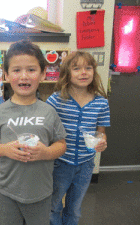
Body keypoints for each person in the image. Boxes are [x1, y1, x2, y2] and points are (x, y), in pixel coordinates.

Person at [0, 40, 67, 225]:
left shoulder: (48, 111)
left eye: (31, 69)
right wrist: (6, 149)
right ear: (6, 74)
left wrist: (45, 152)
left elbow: (61, 145)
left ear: (43, 74)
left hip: (41, 192)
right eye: (16, 70)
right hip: (7, 191)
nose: (24, 76)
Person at [46, 51, 110, 225]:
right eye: (77, 68)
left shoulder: (101, 103)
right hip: (60, 162)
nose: (83, 72)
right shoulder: (56, 100)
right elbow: (45, 129)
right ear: (67, 73)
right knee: (53, 205)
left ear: (93, 72)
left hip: (86, 164)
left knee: (74, 208)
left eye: (88, 68)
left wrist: (102, 142)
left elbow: (101, 131)